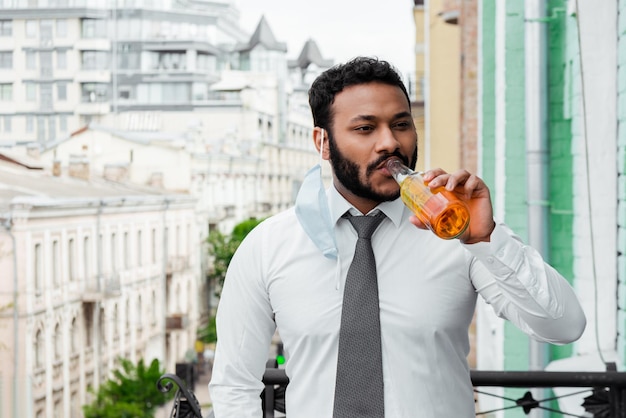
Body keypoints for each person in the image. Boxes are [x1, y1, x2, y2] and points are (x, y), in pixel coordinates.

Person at [208, 56, 586, 417]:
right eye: (365, 128)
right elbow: (234, 384)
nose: (390, 142)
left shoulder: (459, 232)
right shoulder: (268, 245)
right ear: (322, 142)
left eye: (401, 124)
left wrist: (486, 239)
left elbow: (563, 326)